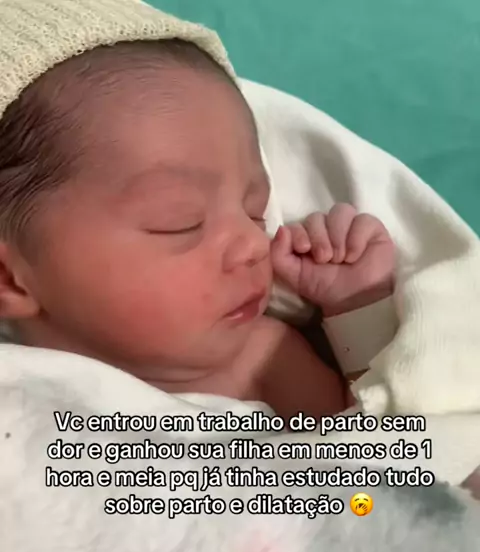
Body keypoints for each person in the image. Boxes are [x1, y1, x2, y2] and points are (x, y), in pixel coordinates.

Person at [0, 37, 395, 421]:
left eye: (255, 212)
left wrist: (359, 308)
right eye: (181, 222)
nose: (255, 244)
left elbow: (382, 445)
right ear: (10, 279)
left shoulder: (260, 358)